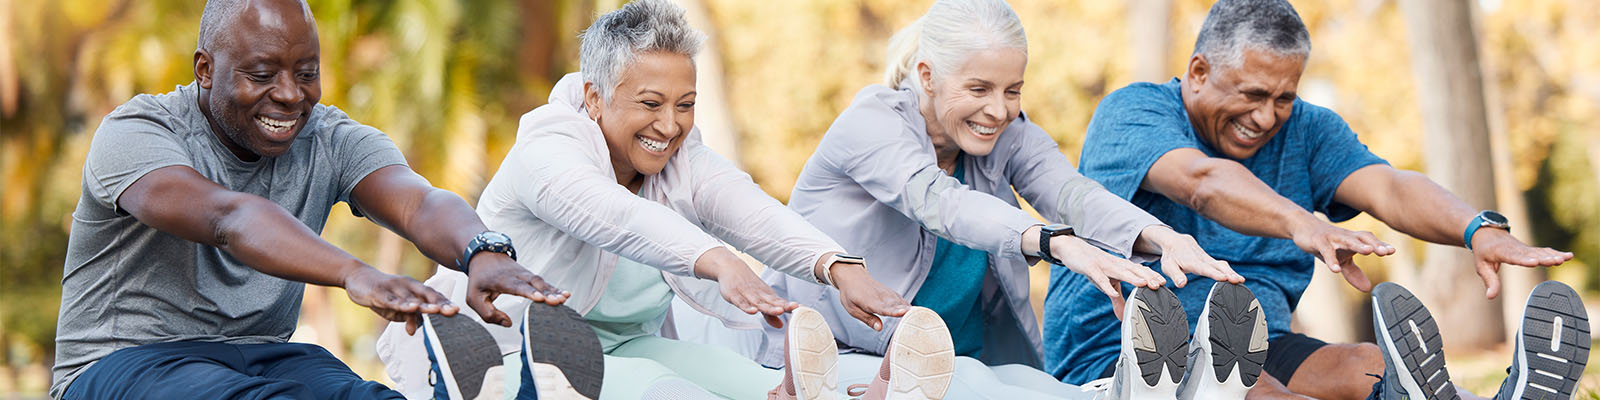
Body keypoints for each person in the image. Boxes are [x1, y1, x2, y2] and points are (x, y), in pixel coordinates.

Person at [1046, 0, 1586, 399]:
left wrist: (1477, 228)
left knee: (1370, 367)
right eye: (1253, 94)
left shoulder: (1307, 130)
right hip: (1130, 350)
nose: (1266, 117)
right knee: (1263, 394)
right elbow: (1201, 182)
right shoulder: (1135, 112)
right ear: (1199, 72)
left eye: (1284, 97)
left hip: (1258, 340)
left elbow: (1389, 186)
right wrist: (1302, 223)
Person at [375, 1, 914, 399]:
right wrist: (718, 260)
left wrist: (838, 267)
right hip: (506, 350)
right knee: (675, 394)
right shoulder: (546, 149)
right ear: (594, 96)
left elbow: (746, 207)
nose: (670, 124)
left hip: (622, 347)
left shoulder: (681, 157)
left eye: (686, 104)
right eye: (651, 103)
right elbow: (615, 217)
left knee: (757, 387)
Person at [48, 0, 577, 399]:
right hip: (123, 363)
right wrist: (354, 273)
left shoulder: (329, 137)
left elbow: (417, 202)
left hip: (268, 356)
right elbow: (227, 217)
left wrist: (481, 250)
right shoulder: (137, 132)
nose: (289, 94)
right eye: (261, 74)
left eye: (307, 74)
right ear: (204, 69)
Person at [758, 0, 1249, 398]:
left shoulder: (1007, 133)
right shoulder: (872, 124)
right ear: (927, 76)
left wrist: (1161, 237)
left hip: (962, 359)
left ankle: (1166, 390)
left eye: (1013, 90)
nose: (999, 110)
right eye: (979, 88)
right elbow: (940, 202)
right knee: (981, 387)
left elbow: (1070, 193)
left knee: (1038, 388)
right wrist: (1052, 243)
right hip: (837, 358)